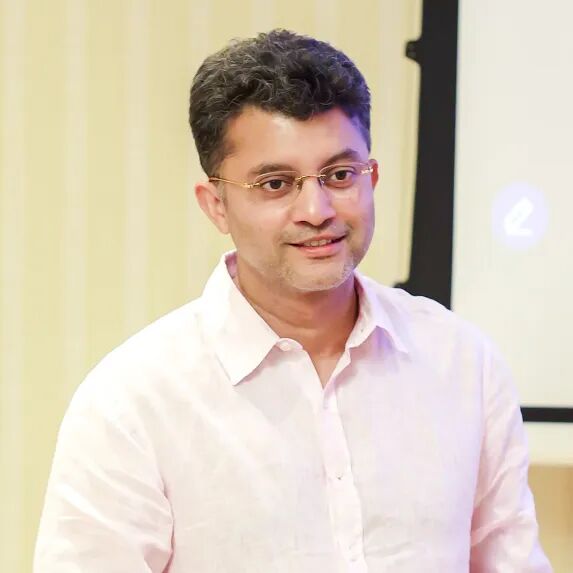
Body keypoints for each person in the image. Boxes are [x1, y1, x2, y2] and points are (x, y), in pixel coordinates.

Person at [34, 29, 552, 572]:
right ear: (215, 205)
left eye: (340, 175)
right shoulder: (133, 402)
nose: (317, 210)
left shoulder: (462, 363)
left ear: (372, 177)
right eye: (276, 184)